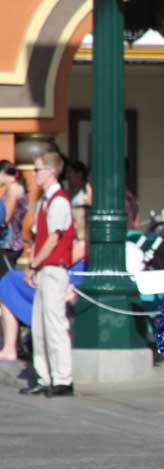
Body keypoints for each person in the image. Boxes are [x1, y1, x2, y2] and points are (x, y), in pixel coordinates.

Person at [20, 152, 75, 397]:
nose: (35, 173)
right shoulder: (44, 202)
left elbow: (54, 238)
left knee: (54, 325)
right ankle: (45, 376)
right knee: (40, 326)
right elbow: (39, 235)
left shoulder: (59, 201)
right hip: (44, 269)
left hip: (54, 269)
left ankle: (63, 378)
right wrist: (34, 264)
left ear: (51, 172)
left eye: (38, 169)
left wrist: (34, 263)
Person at [0, 160, 28, 275]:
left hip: (10, 243)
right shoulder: (12, 188)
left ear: (3, 173)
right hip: (10, 241)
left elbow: (5, 218)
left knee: (4, 279)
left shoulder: (13, 189)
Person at [65, 160, 91, 241]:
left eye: (70, 172)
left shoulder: (88, 190)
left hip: (83, 230)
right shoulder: (66, 192)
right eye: (67, 173)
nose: (67, 176)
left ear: (79, 174)